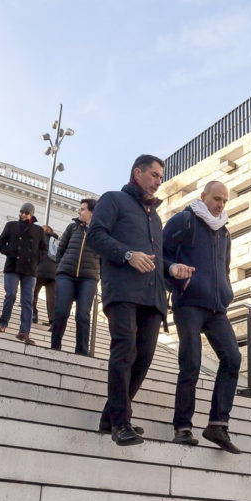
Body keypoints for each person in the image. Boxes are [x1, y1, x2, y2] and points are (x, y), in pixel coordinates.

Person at [87, 155, 193, 445]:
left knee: (143, 358)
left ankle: (110, 417)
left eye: (161, 177)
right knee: (124, 352)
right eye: (155, 175)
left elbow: (157, 260)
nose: (160, 181)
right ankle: (121, 422)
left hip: (153, 297)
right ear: (138, 173)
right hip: (122, 291)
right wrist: (127, 254)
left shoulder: (155, 217)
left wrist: (172, 270)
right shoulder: (112, 200)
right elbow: (95, 236)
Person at [164, 181, 242, 453]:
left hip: (217, 307)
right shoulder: (184, 220)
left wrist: (227, 292)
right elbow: (161, 255)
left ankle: (218, 424)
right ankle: (182, 426)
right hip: (188, 303)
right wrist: (174, 271)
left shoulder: (225, 233)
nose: (221, 204)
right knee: (191, 362)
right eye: (216, 198)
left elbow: (226, 267)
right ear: (203, 196)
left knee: (233, 358)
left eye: (225, 200)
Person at [51, 198, 101, 355]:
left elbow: (104, 258)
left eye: (83, 209)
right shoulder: (72, 228)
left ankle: (81, 352)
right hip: (66, 275)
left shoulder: (101, 233)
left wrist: (99, 275)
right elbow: (60, 250)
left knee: (83, 315)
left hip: (89, 278)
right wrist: (60, 269)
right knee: (61, 311)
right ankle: (55, 347)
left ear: (92, 212)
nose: (79, 211)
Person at [0, 202, 48, 344]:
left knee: (27, 301)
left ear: (32, 214)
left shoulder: (38, 230)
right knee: (10, 294)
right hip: (13, 266)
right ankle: (3, 323)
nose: (24, 214)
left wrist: (36, 260)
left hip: (29, 270)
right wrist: (10, 253)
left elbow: (44, 250)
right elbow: (0, 243)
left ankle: (24, 331)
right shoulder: (11, 225)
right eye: (22, 211)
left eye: (27, 212)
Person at [32, 225, 58, 326]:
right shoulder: (56, 241)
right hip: (54, 273)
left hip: (39, 270)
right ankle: (52, 320)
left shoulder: (39, 239)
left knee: (33, 293)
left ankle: (34, 314)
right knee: (52, 298)